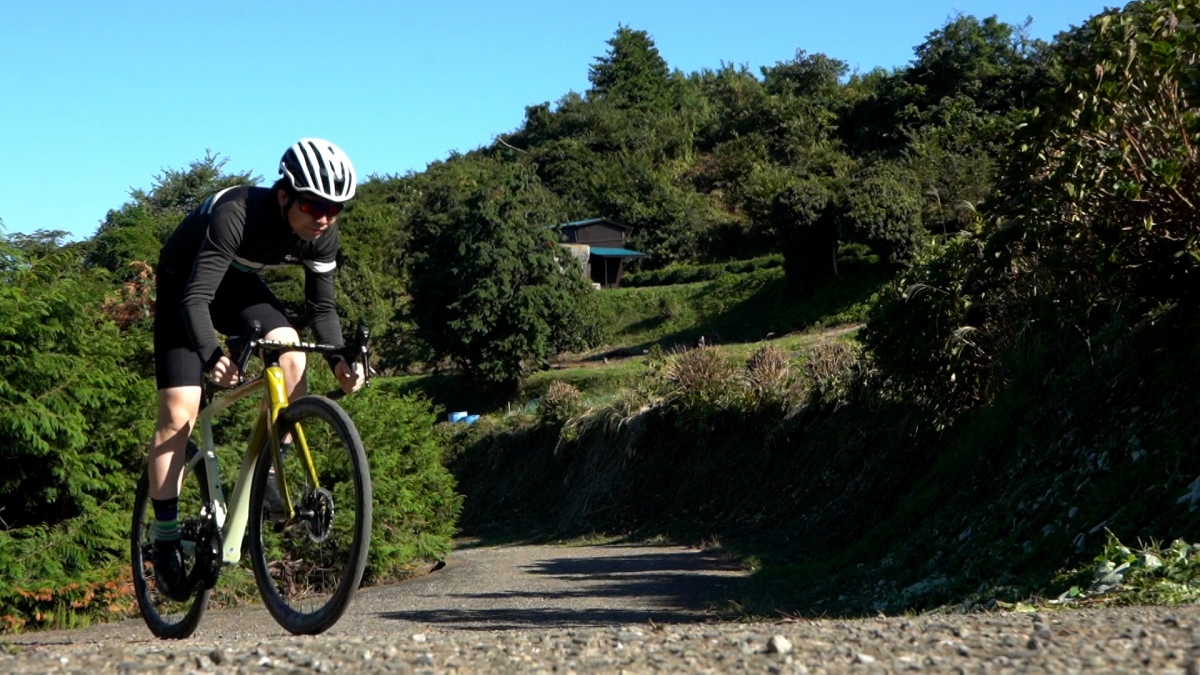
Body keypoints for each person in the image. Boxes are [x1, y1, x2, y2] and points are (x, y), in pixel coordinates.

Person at [148, 138, 366, 600]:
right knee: (179, 413)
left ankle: (272, 468)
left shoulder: (323, 233)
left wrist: (342, 358)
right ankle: (164, 541)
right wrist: (211, 354)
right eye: (313, 204)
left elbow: (321, 309)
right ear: (285, 195)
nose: (323, 217)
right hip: (184, 287)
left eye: (335, 208)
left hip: (237, 287)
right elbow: (196, 299)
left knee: (290, 351)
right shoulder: (237, 212)